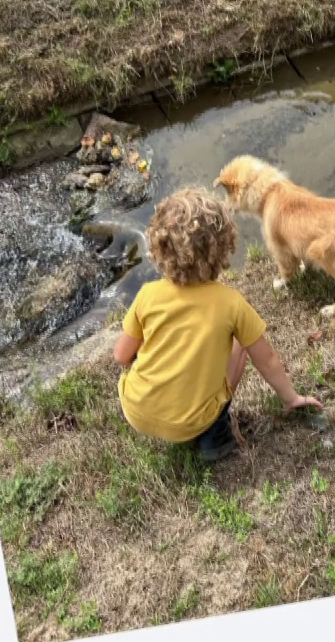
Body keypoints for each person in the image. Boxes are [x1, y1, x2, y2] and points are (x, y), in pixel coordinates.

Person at [112, 188, 320, 461]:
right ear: (223, 247)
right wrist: (291, 398)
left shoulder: (148, 295)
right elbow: (267, 360)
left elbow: (121, 356)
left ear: (159, 246)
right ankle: (215, 435)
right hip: (193, 422)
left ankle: (170, 407)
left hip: (136, 410)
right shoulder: (230, 304)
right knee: (240, 344)